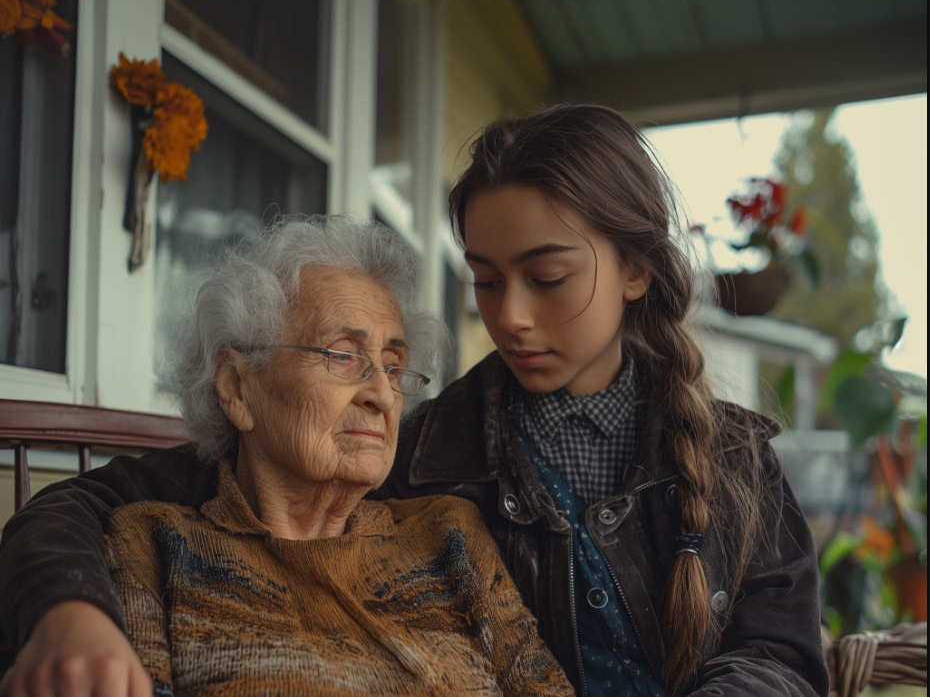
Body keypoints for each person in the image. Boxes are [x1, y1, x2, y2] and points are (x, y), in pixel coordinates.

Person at [0, 105, 829, 697]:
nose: (508, 317)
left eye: (547, 278)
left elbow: (784, 658)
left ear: (638, 270)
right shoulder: (420, 452)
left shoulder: (732, 460)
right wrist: (68, 605)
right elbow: (104, 501)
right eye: (486, 280)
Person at [0, 216, 573, 697]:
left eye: (394, 367)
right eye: (343, 356)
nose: (381, 394)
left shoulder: (450, 536)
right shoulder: (154, 547)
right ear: (237, 387)